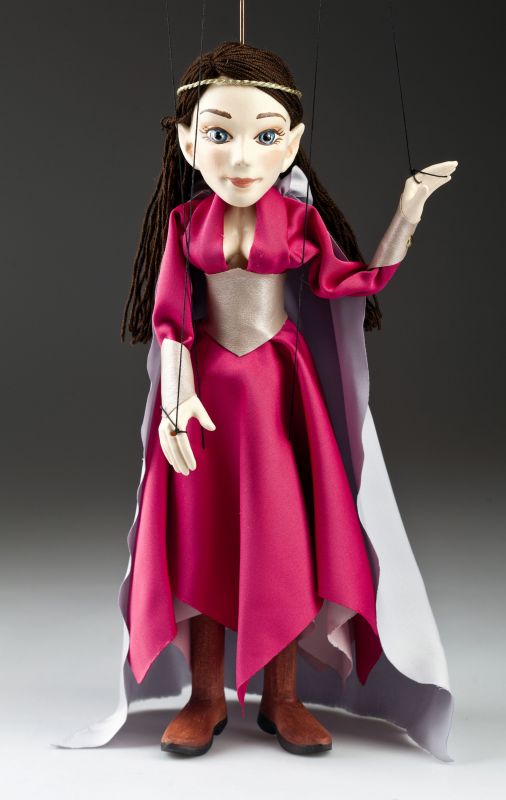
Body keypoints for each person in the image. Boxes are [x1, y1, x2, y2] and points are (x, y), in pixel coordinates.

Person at [58, 41, 457, 759]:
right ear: (187, 142)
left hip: (278, 389)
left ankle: (283, 696)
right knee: (203, 535)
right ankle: (205, 696)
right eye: (220, 134)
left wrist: (409, 211)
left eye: (265, 137)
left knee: (285, 536)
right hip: (208, 390)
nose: (242, 157)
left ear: (292, 144)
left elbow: (356, 282)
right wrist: (175, 400)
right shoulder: (186, 224)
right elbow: (171, 320)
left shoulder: (297, 222)